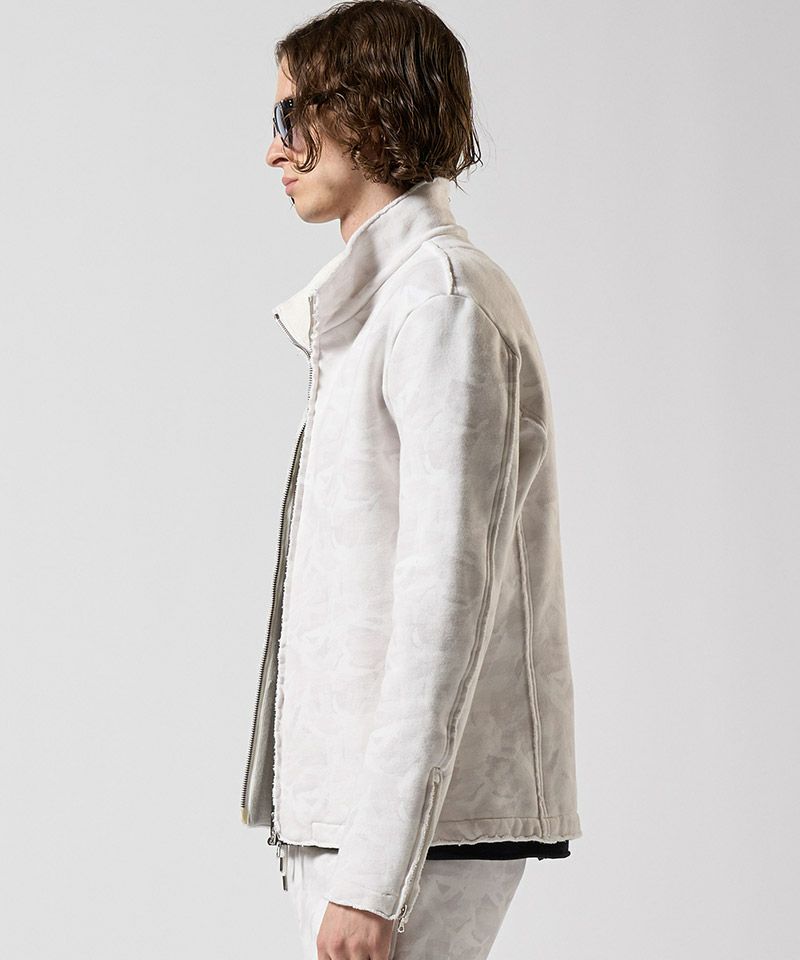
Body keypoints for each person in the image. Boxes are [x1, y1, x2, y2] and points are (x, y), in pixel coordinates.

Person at [239, 2, 582, 957]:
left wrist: (373, 875)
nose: (274, 150)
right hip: (360, 828)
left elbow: (446, 604)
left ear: (362, 109)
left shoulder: (439, 302)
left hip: (403, 844)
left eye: (289, 116)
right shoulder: (389, 304)